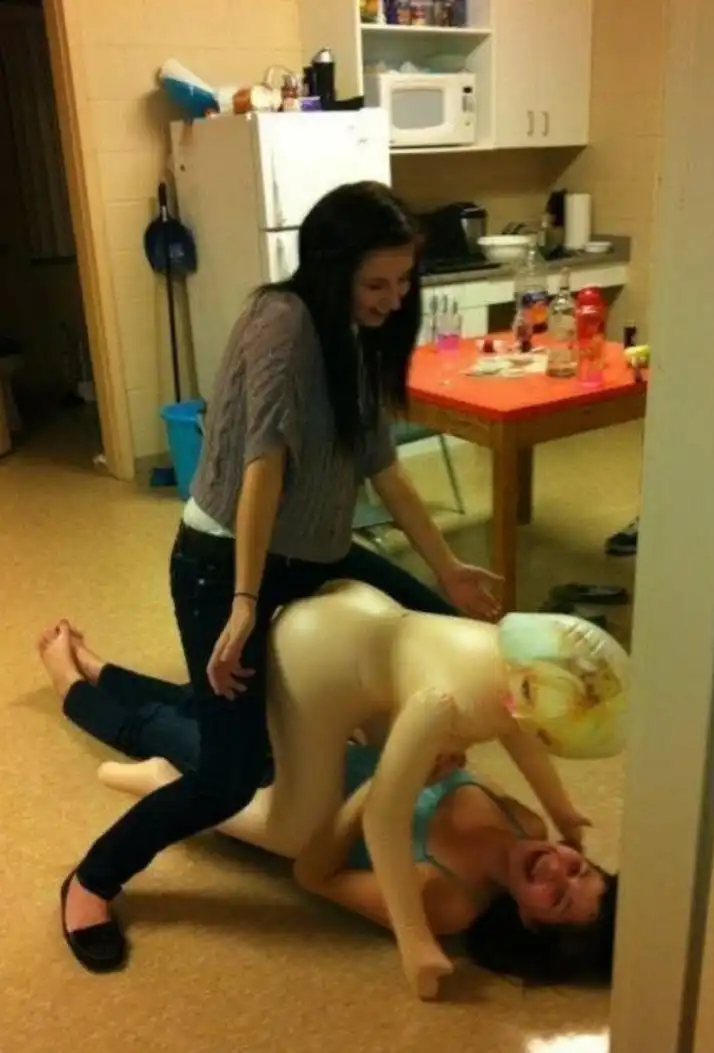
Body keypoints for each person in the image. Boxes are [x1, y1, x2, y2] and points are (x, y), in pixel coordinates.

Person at [60, 180, 502, 973]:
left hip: (315, 554)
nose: (392, 299)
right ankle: (91, 880)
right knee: (230, 775)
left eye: (403, 281)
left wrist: (450, 571)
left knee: (441, 626)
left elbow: (385, 469)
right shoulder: (282, 321)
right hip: (225, 561)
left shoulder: (358, 336)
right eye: (376, 283)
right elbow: (261, 464)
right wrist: (244, 602)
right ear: (331, 269)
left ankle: (97, 673)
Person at [42, 622, 618, 989]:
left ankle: (67, 680)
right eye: (581, 871)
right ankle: (97, 666)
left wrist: (389, 784)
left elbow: (314, 875)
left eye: (557, 898)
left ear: (528, 921)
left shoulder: (449, 905)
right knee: (202, 704)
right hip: (323, 742)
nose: (559, 870)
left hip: (278, 791)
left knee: (152, 728)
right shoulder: (526, 820)